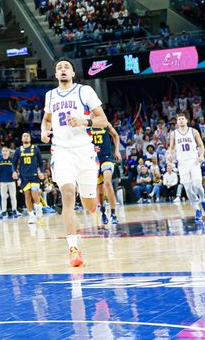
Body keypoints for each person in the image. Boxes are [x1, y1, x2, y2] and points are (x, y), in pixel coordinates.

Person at [41, 58, 108, 267]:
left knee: (89, 206)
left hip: (84, 151)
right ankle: (73, 248)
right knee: (67, 194)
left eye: (66, 67)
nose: (62, 70)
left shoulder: (84, 91)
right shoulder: (50, 95)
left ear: (72, 73)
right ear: (55, 74)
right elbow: (47, 119)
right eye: (59, 67)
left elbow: (103, 121)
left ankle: (91, 198)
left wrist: (84, 121)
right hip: (61, 152)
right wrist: (44, 130)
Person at [168, 113, 205, 221]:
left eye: (183, 119)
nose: (181, 121)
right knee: (187, 187)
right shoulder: (174, 134)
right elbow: (172, 147)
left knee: (197, 184)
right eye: (179, 119)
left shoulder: (193, 131)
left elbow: (201, 145)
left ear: (186, 120)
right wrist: (170, 155)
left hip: (194, 160)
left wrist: (201, 156)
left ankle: (203, 199)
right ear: (177, 122)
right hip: (182, 162)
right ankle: (197, 209)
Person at [90, 115, 122, 225]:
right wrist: (91, 148)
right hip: (94, 159)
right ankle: (103, 211)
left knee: (108, 182)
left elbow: (116, 136)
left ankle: (113, 213)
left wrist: (117, 151)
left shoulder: (105, 123)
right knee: (100, 191)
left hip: (107, 157)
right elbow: (81, 143)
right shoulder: (86, 126)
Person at [16, 132, 45, 225]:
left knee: (35, 194)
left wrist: (42, 172)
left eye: (27, 136)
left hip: (34, 176)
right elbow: (13, 163)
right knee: (27, 195)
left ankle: (39, 210)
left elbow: (41, 162)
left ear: (30, 139)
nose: (25, 137)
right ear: (21, 139)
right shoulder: (18, 150)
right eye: (24, 136)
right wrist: (14, 173)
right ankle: (31, 216)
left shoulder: (35, 149)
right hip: (24, 177)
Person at [0, 146, 17, 218]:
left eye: (6, 151)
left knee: (13, 196)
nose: (5, 152)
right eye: (3, 151)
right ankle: (4, 211)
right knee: (3, 197)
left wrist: (17, 179)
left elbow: (15, 171)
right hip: (3, 181)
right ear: (2, 152)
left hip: (11, 181)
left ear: (8, 152)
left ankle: (14, 210)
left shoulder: (12, 160)